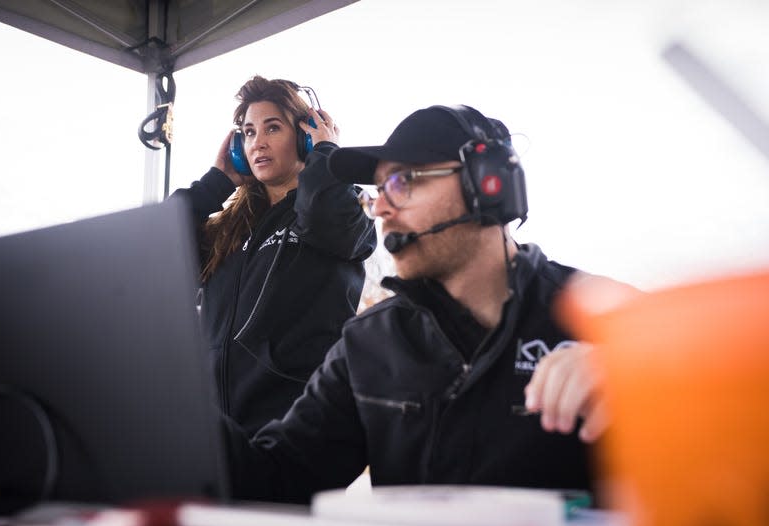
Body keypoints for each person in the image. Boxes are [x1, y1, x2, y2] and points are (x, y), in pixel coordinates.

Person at [224, 104, 613, 503]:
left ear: (487, 182)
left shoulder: (606, 318)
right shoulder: (368, 344)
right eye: (379, 191)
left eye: (403, 182)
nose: (381, 209)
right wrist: (171, 414)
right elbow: (279, 476)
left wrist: (643, 377)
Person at [171, 76, 376, 435]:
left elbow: (329, 221)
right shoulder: (230, 229)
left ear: (304, 137)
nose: (258, 143)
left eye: (272, 128)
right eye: (248, 133)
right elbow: (164, 247)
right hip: (220, 434)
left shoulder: (341, 206)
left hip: (295, 432)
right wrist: (215, 183)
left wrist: (326, 155)